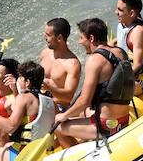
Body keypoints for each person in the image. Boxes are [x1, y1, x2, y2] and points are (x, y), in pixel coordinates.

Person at [54, 18, 134, 148]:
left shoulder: (94, 60)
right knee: (83, 112)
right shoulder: (119, 52)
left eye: (81, 37)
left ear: (91, 38)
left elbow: (84, 101)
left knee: (58, 127)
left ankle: (78, 158)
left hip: (106, 125)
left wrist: (63, 115)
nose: (80, 42)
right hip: (124, 118)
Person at [114, 0, 143, 96]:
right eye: (117, 8)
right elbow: (123, 41)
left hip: (139, 81)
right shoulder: (125, 25)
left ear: (132, 13)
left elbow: (138, 64)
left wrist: (117, 80)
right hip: (125, 72)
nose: (116, 12)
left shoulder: (138, 32)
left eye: (120, 10)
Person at [39, 17, 82, 110]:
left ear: (59, 38)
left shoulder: (72, 64)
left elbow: (68, 97)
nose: (44, 37)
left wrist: (49, 88)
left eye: (48, 35)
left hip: (59, 107)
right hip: (39, 102)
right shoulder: (44, 53)